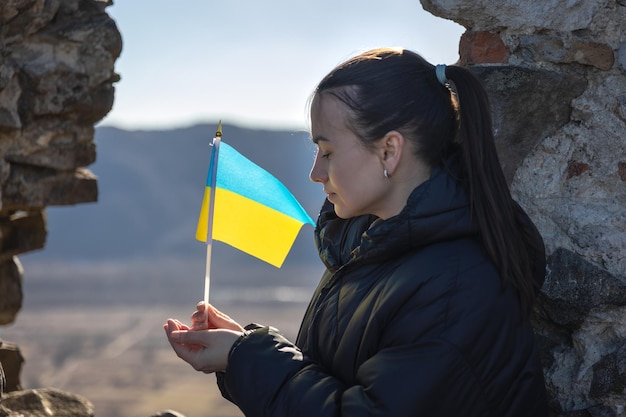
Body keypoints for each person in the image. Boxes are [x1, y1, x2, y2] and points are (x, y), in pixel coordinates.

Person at [164, 47, 548, 416]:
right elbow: (332, 382)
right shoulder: (368, 249)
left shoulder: (455, 290)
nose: (315, 173)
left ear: (389, 151)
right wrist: (243, 352)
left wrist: (243, 357)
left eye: (327, 151)